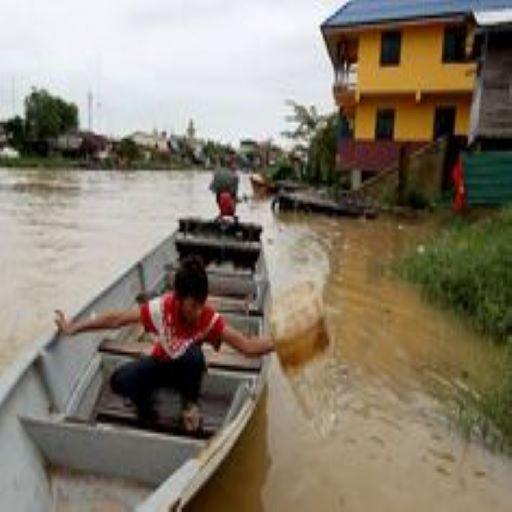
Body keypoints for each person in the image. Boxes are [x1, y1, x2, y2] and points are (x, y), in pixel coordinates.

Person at [54, 256, 274, 432]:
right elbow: (116, 319)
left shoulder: (208, 318)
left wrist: (280, 341)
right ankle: (149, 404)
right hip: (162, 362)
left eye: (201, 304)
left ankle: (190, 405)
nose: (198, 312)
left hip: (188, 369)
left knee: (193, 356)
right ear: (178, 299)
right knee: (118, 381)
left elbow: (247, 347)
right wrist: (73, 328)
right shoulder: (162, 309)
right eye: (192, 305)